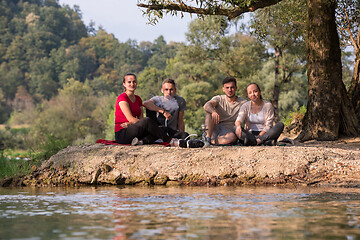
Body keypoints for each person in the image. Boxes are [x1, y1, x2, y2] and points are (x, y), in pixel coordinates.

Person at [114, 73, 174, 145]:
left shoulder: (138, 99)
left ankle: (141, 142)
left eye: (134, 82)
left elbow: (140, 118)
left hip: (133, 128)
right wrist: (139, 123)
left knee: (161, 129)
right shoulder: (122, 98)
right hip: (123, 133)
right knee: (147, 121)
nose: (132, 84)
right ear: (124, 84)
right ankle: (171, 141)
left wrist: (131, 124)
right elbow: (131, 119)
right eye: (129, 82)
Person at [203, 76, 247, 145]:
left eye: (232, 87)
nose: (230, 90)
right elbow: (206, 105)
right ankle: (207, 138)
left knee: (231, 137)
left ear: (236, 88)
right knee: (209, 112)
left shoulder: (243, 102)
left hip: (229, 131)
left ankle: (209, 142)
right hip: (214, 128)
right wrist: (213, 112)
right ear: (223, 89)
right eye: (227, 88)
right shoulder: (219, 99)